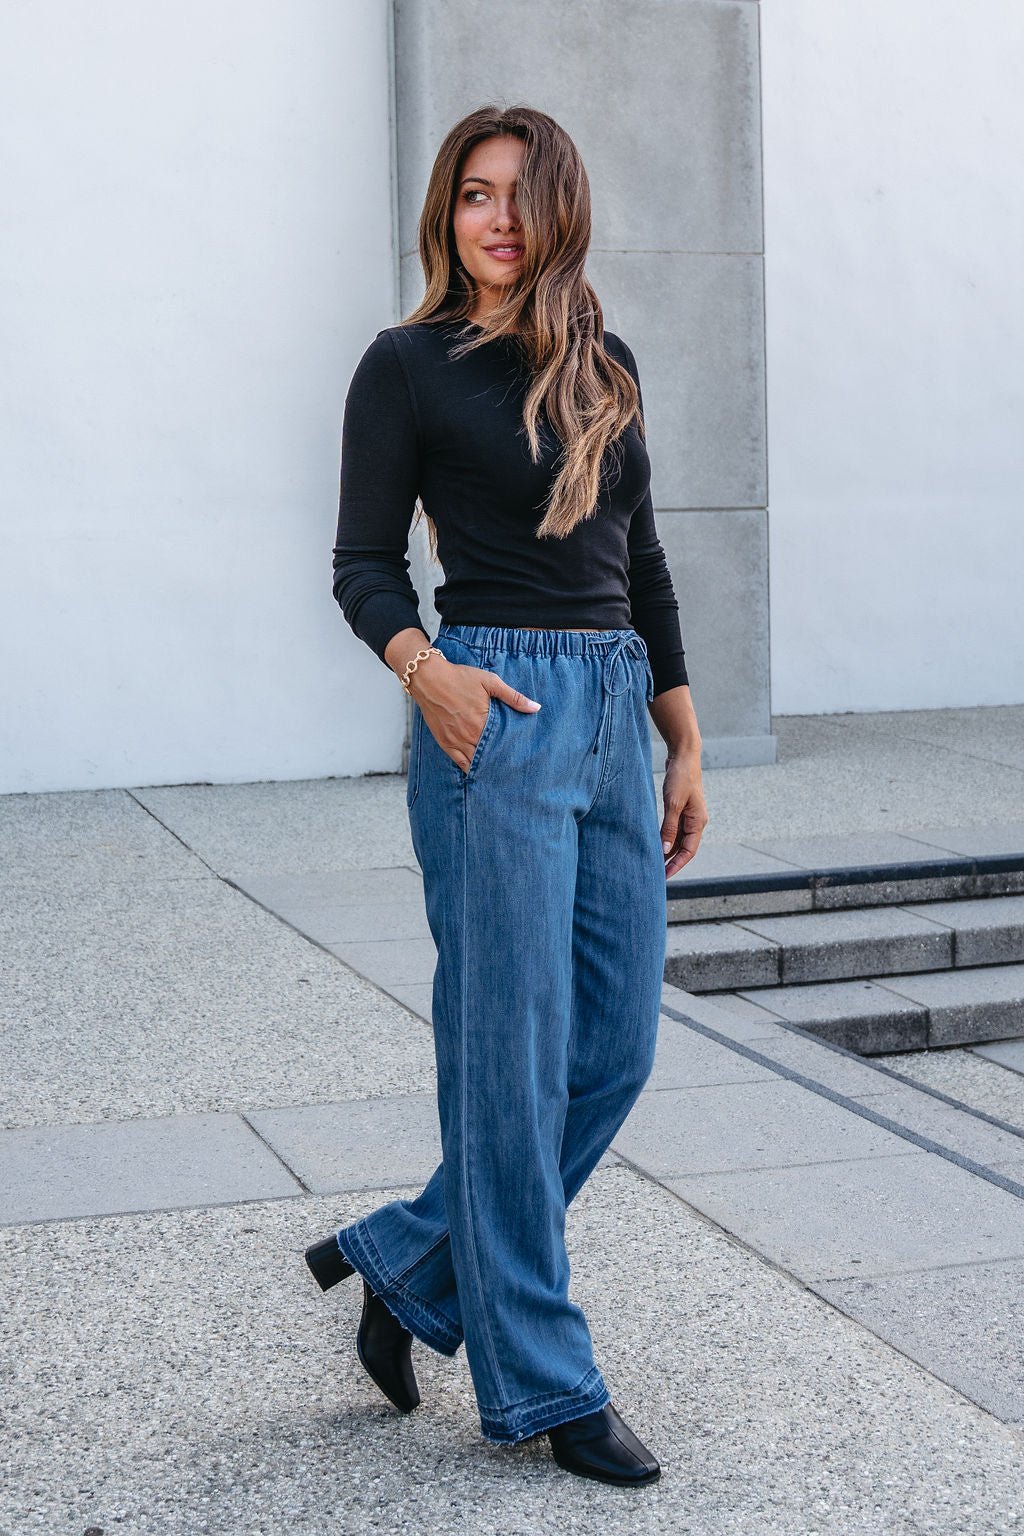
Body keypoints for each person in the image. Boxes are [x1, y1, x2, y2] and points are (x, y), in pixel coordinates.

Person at [307, 103, 708, 1486]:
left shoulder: (607, 363)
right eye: (474, 194)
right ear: (447, 211)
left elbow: (640, 563)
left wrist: (682, 740)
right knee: (510, 1056)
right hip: (498, 712)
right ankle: (545, 1381)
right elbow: (362, 565)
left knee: (613, 1050)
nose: (497, 218)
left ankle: (408, 1263)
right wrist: (430, 676)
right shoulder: (406, 365)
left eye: (520, 195)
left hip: (612, 716)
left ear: (560, 212)